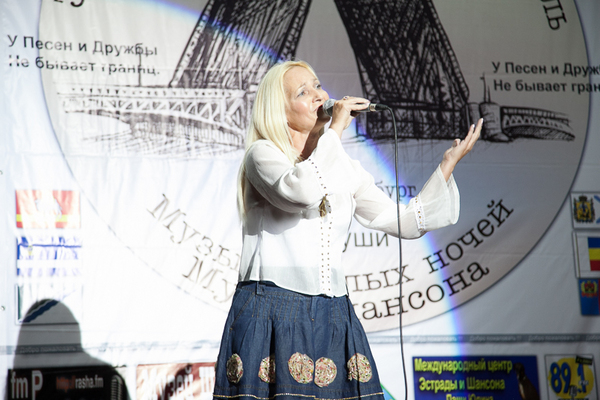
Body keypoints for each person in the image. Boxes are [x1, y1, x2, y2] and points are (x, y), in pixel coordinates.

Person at [212, 60, 481, 400]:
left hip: (333, 311)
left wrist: (445, 167)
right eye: (302, 92)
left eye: (317, 85)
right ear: (279, 112)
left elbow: (405, 222)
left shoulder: (344, 167)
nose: (318, 95)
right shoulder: (262, 154)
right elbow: (300, 191)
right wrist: (335, 130)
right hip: (272, 308)